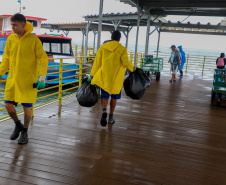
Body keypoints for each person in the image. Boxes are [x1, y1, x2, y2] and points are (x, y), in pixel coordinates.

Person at [0, 14, 48, 144]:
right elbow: (6, 58)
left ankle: (25, 132)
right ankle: (18, 124)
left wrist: (42, 78)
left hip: (28, 80)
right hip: (13, 80)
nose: (12, 27)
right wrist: (0, 72)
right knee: (7, 104)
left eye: (15, 25)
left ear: (23, 25)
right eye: (11, 25)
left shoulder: (33, 40)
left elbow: (43, 58)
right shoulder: (11, 39)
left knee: (27, 107)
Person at [88, 30, 134, 127]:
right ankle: (111, 116)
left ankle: (104, 110)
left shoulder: (103, 48)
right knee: (114, 97)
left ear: (111, 37)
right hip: (116, 78)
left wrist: (92, 75)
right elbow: (126, 63)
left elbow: (97, 63)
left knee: (104, 96)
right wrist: (133, 69)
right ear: (119, 38)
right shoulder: (122, 49)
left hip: (104, 76)